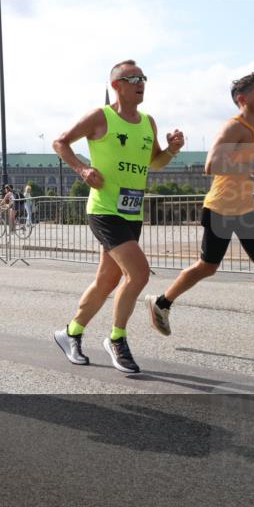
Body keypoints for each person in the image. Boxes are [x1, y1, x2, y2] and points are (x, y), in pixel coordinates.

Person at [51, 59, 184, 374]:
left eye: (143, 77)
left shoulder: (148, 122)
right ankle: (117, 338)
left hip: (131, 211)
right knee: (138, 274)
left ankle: (70, 333)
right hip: (104, 210)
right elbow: (60, 142)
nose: (141, 83)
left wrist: (173, 149)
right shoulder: (101, 116)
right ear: (116, 85)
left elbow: (156, 163)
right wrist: (82, 169)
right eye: (133, 78)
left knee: (106, 280)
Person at [146, 72, 254, 362]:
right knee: (207, 267)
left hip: (245, 210)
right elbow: (212, 164)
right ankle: (161, 301)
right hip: (221, 208)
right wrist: (253, 170)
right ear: (242, 100)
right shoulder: (234, 127)